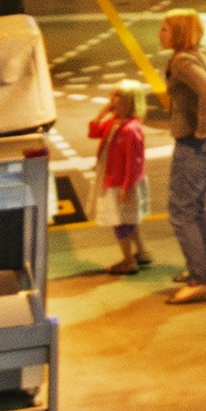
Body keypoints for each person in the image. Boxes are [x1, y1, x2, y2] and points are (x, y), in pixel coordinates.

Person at [153, 9, 206, 295]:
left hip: (195, 143)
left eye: (165, 29)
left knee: (181, 210)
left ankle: (200, 280)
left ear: (180, 33)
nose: (160, 34)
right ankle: (201, 269)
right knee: (196, 208)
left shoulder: (183, 61)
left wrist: (201, 126)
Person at [87, 78, 152, 276]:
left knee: (119, 220)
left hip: (119, 182)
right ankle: (141, 252)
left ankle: (128, 260)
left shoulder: (131, 130)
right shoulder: (114, 122)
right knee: (129, 219)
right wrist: (101, 114)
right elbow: (94, 132)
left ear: (130, 102)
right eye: (112, 95)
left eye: (118, 96)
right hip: (113, 177)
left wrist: (127, 186)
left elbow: (135, 162)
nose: (113, 100)